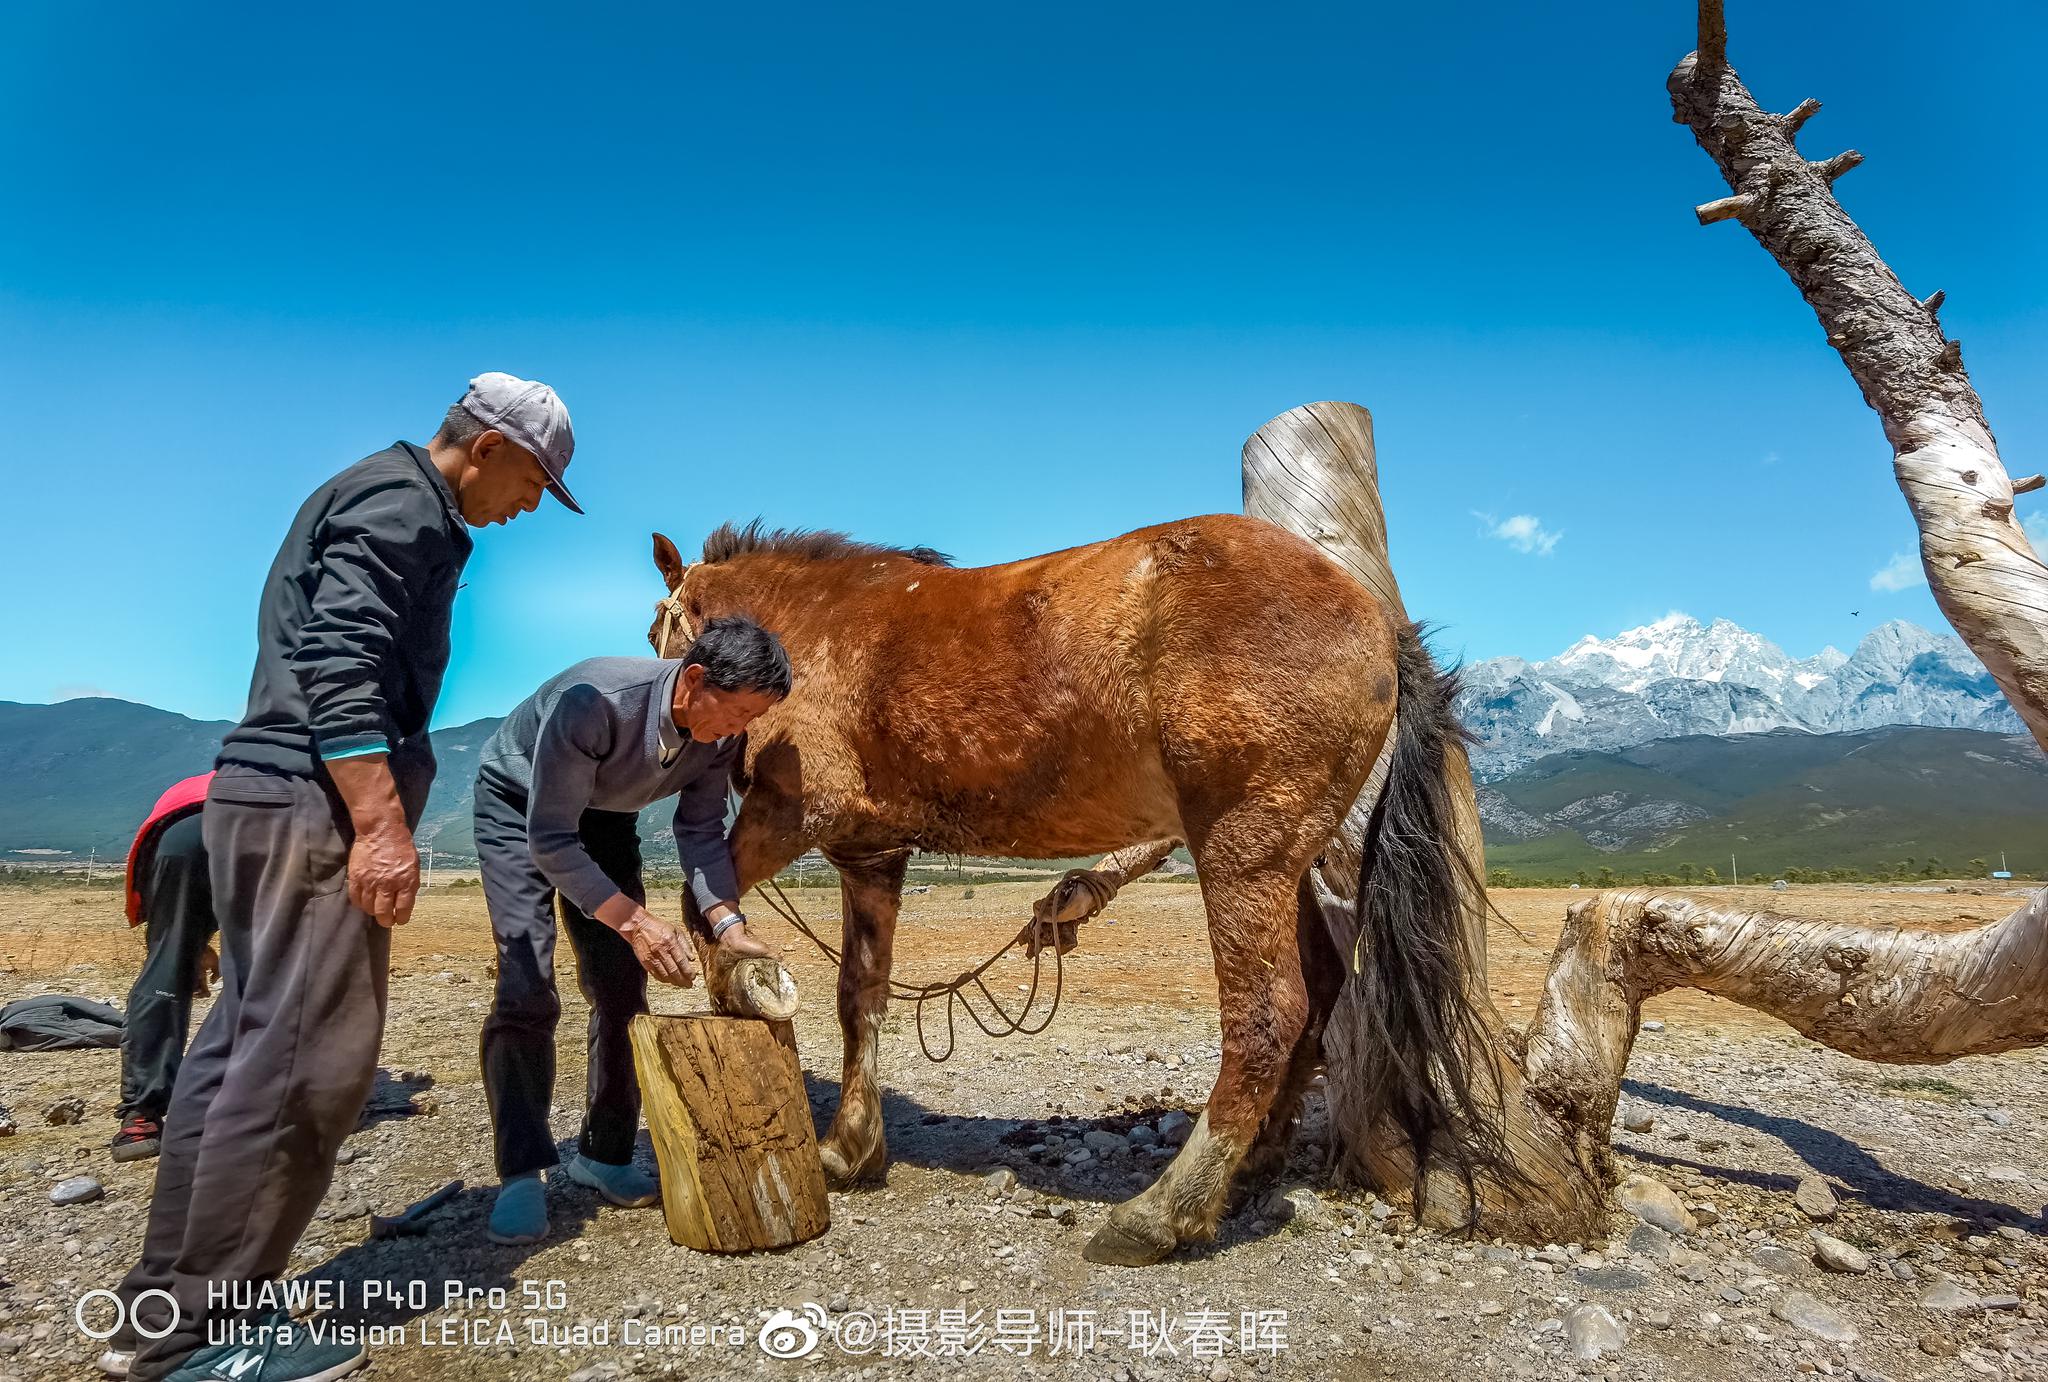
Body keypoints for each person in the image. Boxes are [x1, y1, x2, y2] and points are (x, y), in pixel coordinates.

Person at [102, 373, 581, 1382]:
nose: (533, 503)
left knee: (240, 1050)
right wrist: (378, 821)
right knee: (306, 1068)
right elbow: (341, 656)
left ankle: (162, 1305)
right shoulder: (406, 502)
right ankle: (200, 1342)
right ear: (488, 447)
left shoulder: (372, 487)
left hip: (264, 795)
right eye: (538, 479)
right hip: (309, 805)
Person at [474, 617, 790, 1245]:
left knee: (621, 989)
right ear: (694, 680)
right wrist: (636, 920)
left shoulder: (717, 738)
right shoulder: (595, 703)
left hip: (603, 819)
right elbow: (551, 838)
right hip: (521, 814)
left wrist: (727, 923)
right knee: (526, 985)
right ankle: (520, 1170)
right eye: (737, 712)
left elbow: (699, 832)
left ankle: (605, 1153)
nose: (740, 731)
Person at [111, 773, 218, 1162]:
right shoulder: (294, 766)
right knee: (278, 968)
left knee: (165, 970)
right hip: (269, 829)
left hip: (180, 837)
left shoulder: (198, 781)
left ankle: (142, 1115)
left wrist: (189, 946)